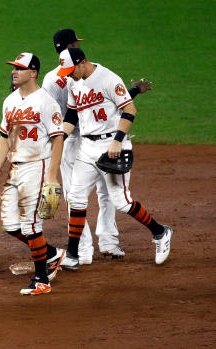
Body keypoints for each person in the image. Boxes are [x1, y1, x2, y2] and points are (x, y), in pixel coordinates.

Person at [42, 29, 153, 264]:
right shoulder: (58, 79)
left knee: (109, 194)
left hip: (97, 139)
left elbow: (105, 101)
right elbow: (67, 113)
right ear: (68, 48)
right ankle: (81, 251)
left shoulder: (91, 75)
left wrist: (131, 93)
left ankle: (108, 242)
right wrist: (52, 139)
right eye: (74, 43)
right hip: (70, 140)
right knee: (77, 196)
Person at [56, 47, 172, 270]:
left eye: (71, 70)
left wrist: (118, 140)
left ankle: (160, 232)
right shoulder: (73, 82)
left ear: (82, 63)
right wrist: (58, 138)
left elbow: (130, 109)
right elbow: (71, 115)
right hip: (86, 148)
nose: (69, 74)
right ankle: (72, 254)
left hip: (112, 145)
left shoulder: (109, 79)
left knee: (121, 201)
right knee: (76, 199)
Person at [0, 53, 66, 295]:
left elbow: (58, 139)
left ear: (33, 73)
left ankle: (42, 279)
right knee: (10, 224)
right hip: (15, 168)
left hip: (37, 167)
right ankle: (52, 254)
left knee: (31, 226)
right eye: (14, 68)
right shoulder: (9, 101)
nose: (14, 71)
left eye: (20, 68)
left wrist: (51, 176)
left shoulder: (46, 102)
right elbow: (3, 137)